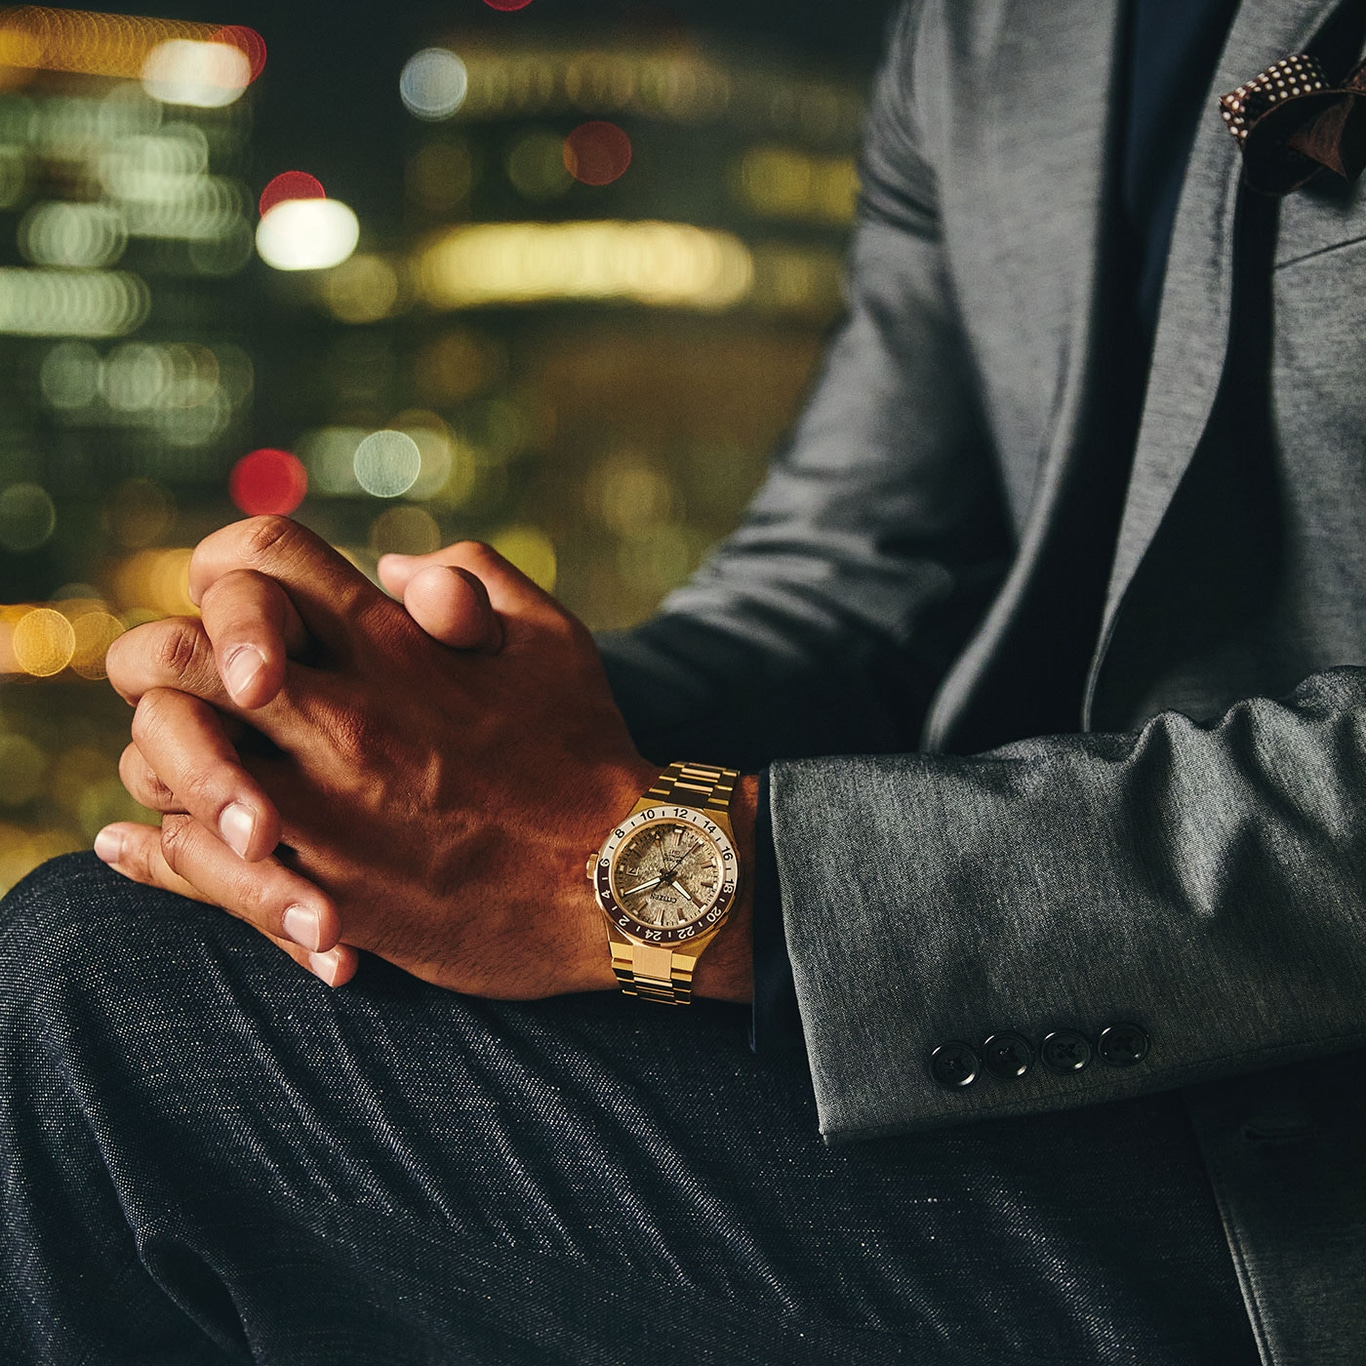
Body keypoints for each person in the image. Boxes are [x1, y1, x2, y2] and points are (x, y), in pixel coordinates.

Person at [5, 0, 1366, 1360]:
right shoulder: (992, 28)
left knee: (111, 1025)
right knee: (115, 946)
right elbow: (854, 577)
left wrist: (690, 877)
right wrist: (411, 732)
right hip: (1059, 1067)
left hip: (1308, 1205)